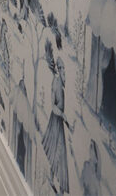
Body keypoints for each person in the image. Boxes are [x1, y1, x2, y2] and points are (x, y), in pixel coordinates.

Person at [42, 58, 72, 193]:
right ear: (58, 69)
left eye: (64, 68)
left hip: (58, 122)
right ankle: (54, 182)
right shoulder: (56, 82)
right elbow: (53, 106)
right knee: (57, 150)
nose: (63, 70)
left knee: (58, 150)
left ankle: (57, 185)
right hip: (55, 120)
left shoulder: (62, 82)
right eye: (62, 68)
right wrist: (63, 116)